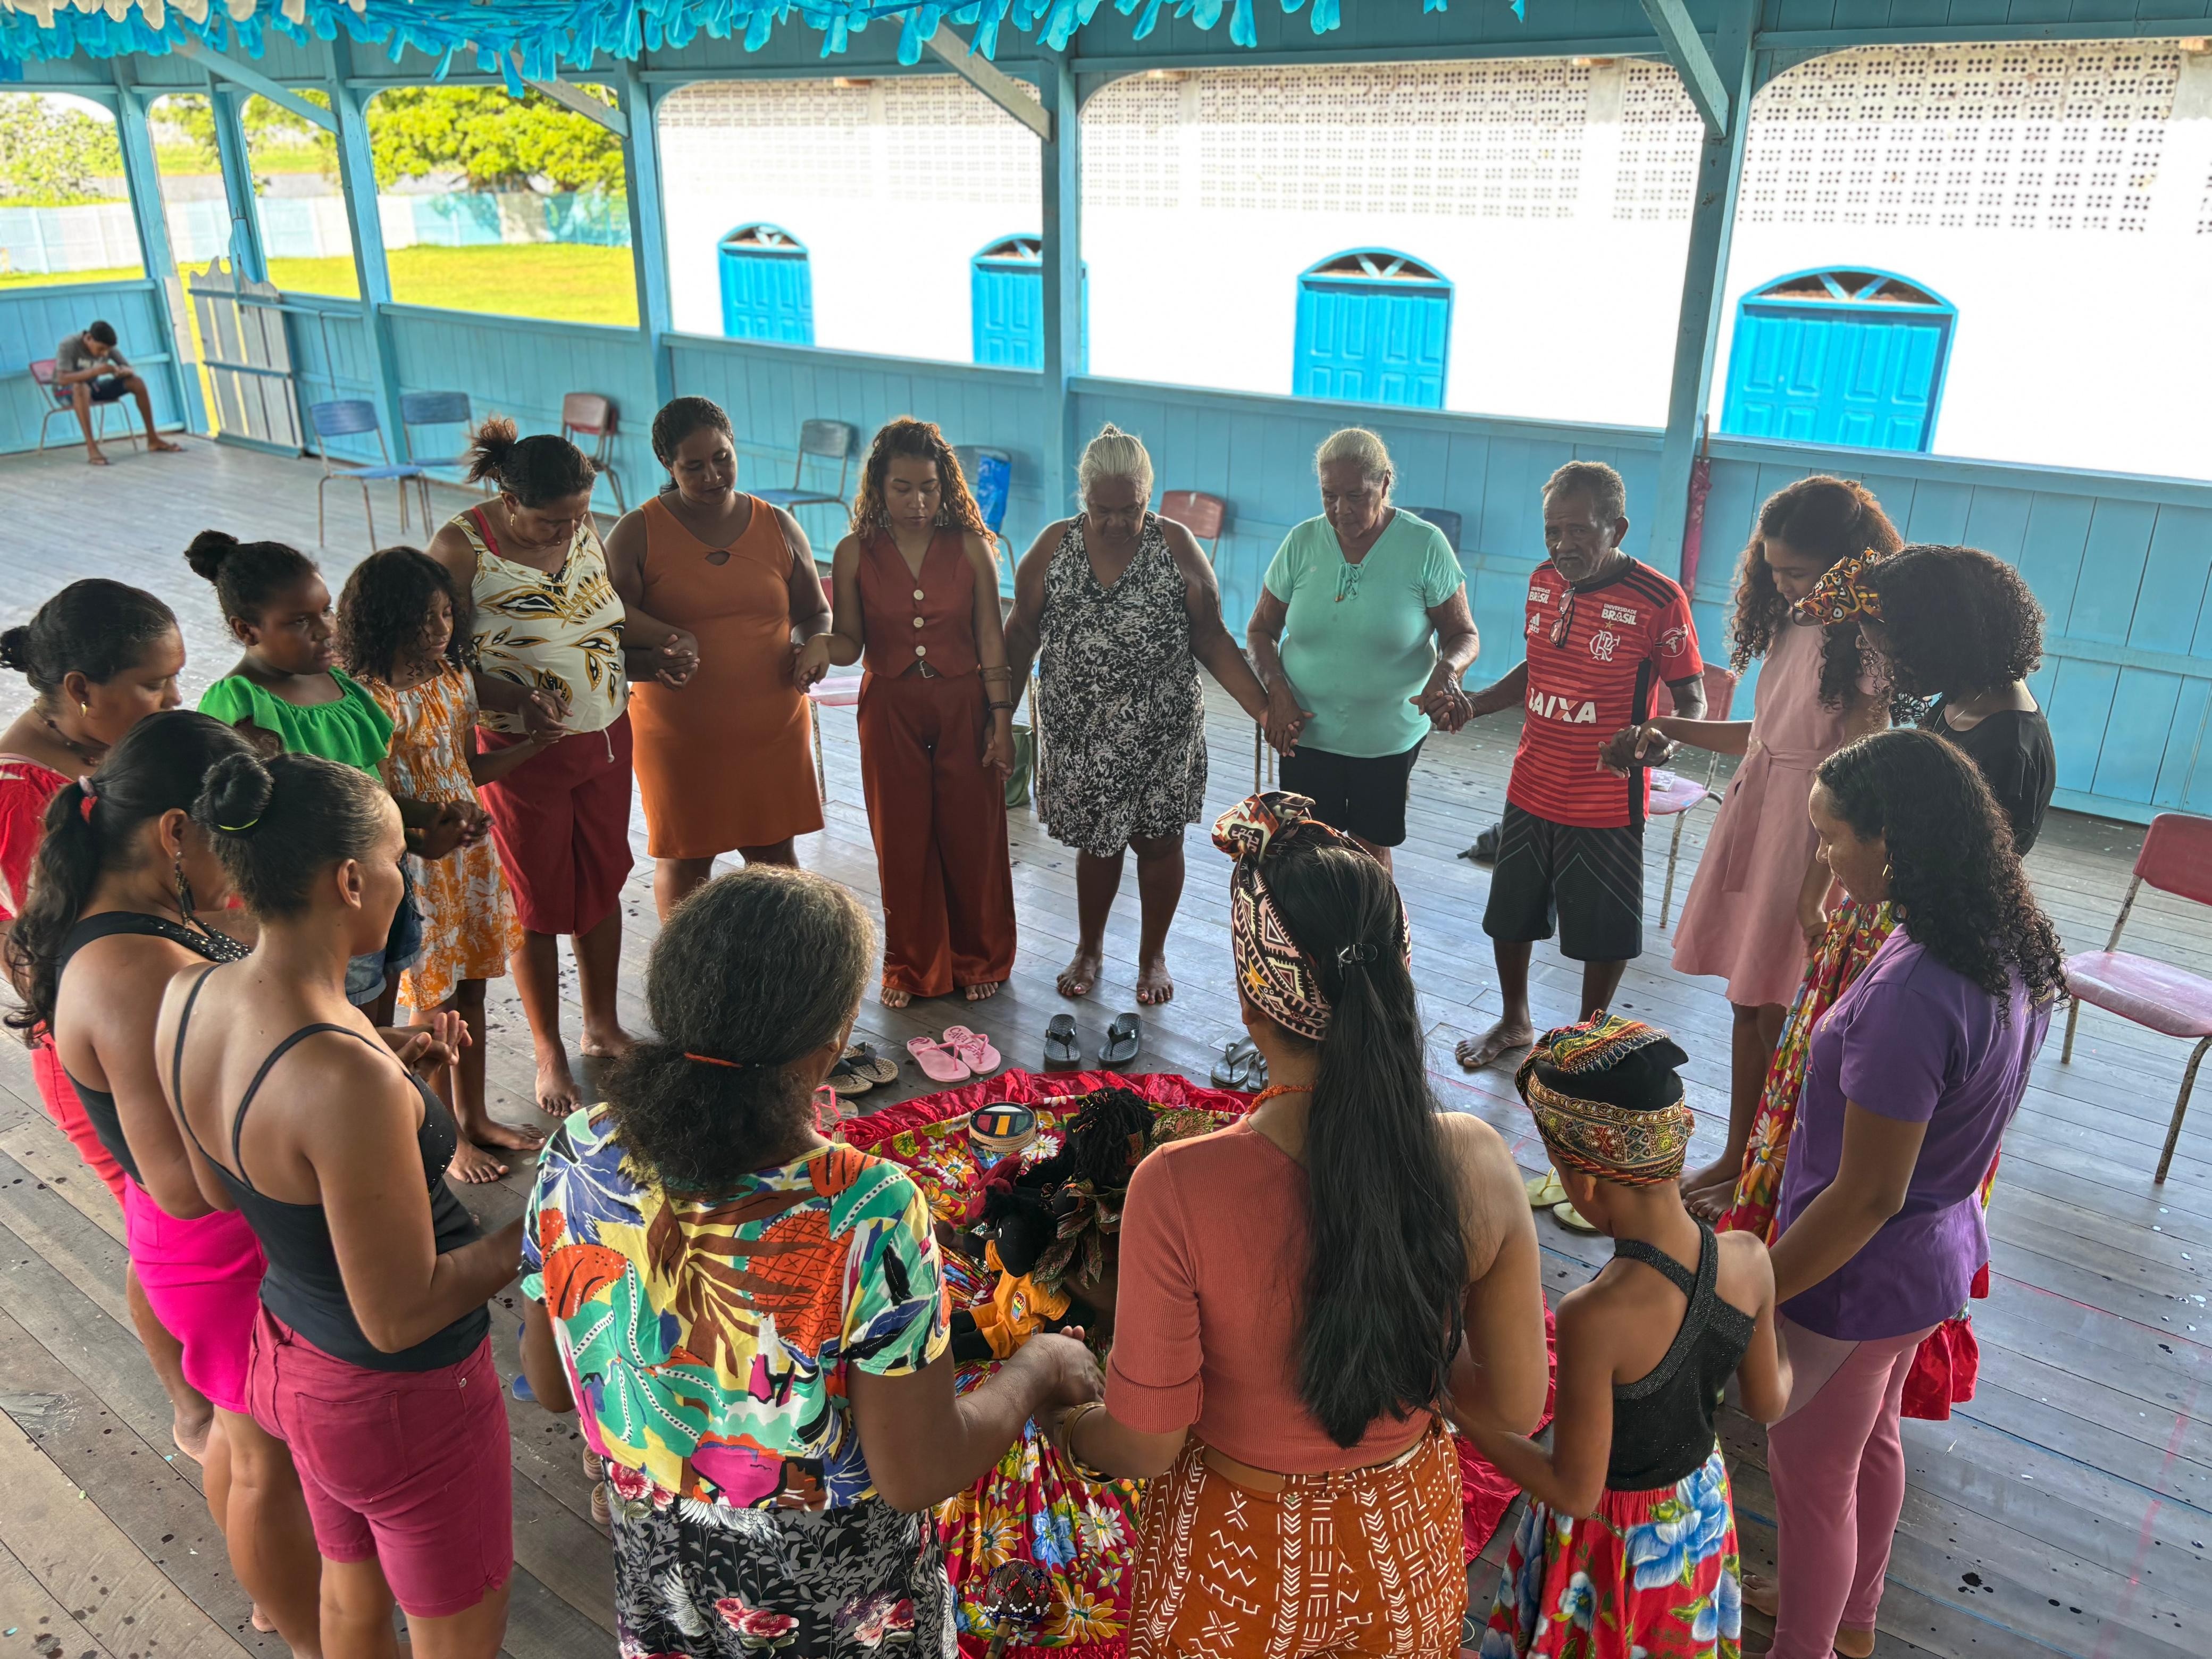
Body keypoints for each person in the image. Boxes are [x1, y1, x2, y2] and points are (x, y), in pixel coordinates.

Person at [517, 866, 1102, 1656]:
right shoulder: (866, 1209)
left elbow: (553, 1384)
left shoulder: (579, 1151)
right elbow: (917, 1469)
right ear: (825, 1056)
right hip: (837, 1613)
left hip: (668, 1591)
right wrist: (1037, 1366)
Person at [1048, 792, 1549, 1657]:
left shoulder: (1178, 1186)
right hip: (1403, 1554)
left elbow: (1147, 1447)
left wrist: (1064, 1403)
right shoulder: (1476, 1161)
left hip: (1236, 1567)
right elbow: (1513, 1400)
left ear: (1252, 1001)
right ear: (1396, 977)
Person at [162, 749, 522, 1659]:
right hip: (398, 1399)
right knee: (455, 1627)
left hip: (288, 1356)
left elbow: (219, 1186)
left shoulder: (191, 991)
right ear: (352, 878)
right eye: (401, 861)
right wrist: (554, 1218)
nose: (407, 881)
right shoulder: (338, 1071)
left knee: (351, 1592)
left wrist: (392, 1092)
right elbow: (399, 1314)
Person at [5, 713, 323, 1652]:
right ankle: (298, 1622)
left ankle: (279, 1590)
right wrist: (313, 1130)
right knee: (261, 1449)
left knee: (244, 1431)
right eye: (235, 846)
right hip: (216, 1247)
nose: (244, 872)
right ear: (176, 832)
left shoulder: (141, 923)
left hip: (209, 1244)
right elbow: (184, 1182)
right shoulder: (134, 967)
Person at [1752, 730, 2060, 1659]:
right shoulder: (2004, 940)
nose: (1826, 858)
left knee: (1810, 1475)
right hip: (1937, 1252)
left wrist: (1758, 1286)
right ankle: (1852, 1620)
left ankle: (1803, 1645)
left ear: (1898, 839)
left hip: (1859, 1274)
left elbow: (1867, 1196)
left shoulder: (1913, 994)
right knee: (1871, 1441)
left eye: (1837, 837)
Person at [1603, 477, 1900, 1219]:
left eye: (1800, 573)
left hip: (1811, 832)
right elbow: (1764, 738)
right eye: (1774, 571)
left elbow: (1857, 775)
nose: (1786, 586)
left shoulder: (1863, 643)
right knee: (1747, 1002)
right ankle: (1739, 1152)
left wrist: (1813, 887)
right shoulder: (1794, 624)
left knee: (1781, 1011)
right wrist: (1671, 731)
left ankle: (1772, 1169)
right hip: (1757, 807)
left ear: (1849, 565)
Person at [1469, 1014, 1789, 1659]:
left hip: (1611, 1547)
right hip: (1695, 1515)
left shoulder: (1595, 1315)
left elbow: (1574, 1490)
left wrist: (1459, 1405)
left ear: (1583, 1181)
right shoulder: (1749, 1258)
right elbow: (1767, 1402)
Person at [0, 580, 210, 1457]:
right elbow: (30, 939)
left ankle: (230, 1368)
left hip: (172, 1015)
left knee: (199, 1219)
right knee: (159, 1229)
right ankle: (190, 1403)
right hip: (99, 1048)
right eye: (155, 684)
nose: (174, 701)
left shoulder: (113, 756)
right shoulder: (21, 789)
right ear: (82, 688)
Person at [425, 420, 672, 1114]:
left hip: (603, 729)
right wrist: (512, 700)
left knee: (603, 877)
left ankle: (601, 1027)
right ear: (507, 498)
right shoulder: (458, 548)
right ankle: (547, 1049)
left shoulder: (579, 523)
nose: (565, 532)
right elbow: (435, 660)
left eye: (578, 516)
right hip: (519, 750)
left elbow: (609, 616)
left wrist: (667, 646)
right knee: (535, 901)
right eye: (548, 521)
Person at [1003, 423, 1270, 1004]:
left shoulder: (1174, 545)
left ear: (1149, 497)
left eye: (1132, 509)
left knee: (1158, 842)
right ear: (1083, 497)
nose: (1118, 522)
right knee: (1096, 845)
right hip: (1080, 734)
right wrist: (995, 714)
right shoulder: (1053, 546)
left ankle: (1152, 957)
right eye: (1104, 510)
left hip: (1161, 729)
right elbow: (1019, 634)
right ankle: (1089, 948)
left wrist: (1263, 709)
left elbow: (1212, 637)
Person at [1456, 460, 1706, 1072]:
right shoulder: (1543, 579)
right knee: (1509, 916)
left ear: (1615, 528)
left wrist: (1659, 740)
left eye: (1578, 531)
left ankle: (1585, 1038)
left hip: (1605, 795)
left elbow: (1692, 698)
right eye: (1552, 531)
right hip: (1532, 781)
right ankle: (1515, 1021)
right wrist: (1473, 704)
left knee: (1603, 930)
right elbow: (1535, 667)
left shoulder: (1658, 599)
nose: (1562, 545)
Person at [336, 546, 548, 1182]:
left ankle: (476, 1115)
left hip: (471, 860)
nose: (438, 631)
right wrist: (438, 822)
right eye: (422, 621)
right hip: (417, 866)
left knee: (475, 989)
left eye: (445, 617)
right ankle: (447, 1139)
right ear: (382, 622)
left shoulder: (452, 678)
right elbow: (377, 801)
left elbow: (465, 771)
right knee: (434, 1006)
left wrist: (528, 749)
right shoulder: (366, 699)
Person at [797, 418, 1017, 1008]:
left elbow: (992, 641)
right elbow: (848, 641)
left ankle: (980, 957)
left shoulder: (971, 547)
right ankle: (911, 964)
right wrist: (820, 647)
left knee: (973, 833)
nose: (917, 502)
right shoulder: (852, 553)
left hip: (963, 703)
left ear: (944, 486)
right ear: (878, 487)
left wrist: (1001, 718)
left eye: (928, 487)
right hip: (889, 705)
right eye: (902, 488)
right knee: (901, 837)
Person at [188, 531, 431, 1020]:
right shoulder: (240, 706)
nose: (325, 630)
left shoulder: (343, 688)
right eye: (300, 622)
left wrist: (425, 828)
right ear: (247, 630)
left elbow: (375, 788)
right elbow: (242, 822)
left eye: (326, 610)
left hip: (383, 880)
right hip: (318, 903)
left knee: (384, 1009)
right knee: (342, 1018)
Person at [606, 395, 829, 919]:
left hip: (772, 728)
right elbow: (607, 627)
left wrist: (813, 646)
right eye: (694, 466)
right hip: (680, 737)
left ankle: (789, 975)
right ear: (667, 465)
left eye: (722, 458)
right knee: (687, 861)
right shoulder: (637, 533)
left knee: (774, 857)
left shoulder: (776, 524)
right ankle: (685, 984)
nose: (712, 475)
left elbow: (814, 613)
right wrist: (659, 653)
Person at [1246, 428, 1480, 872]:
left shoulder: (1424, 545)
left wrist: (1448, 670)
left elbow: (1463, 634)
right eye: (1329, 495)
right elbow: (1260, 629)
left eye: (1356, 495)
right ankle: (1313, 942)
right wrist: (1276, 690)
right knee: (1308, 854)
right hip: (1305, 731)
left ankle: (1374, 941)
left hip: (1386, 738)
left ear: (1386, 483)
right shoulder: (1302, 542)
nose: (1341, 510)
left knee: (1368, 855)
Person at [1856, 545, 2056, 853]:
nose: (1892, 670)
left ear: (1944, 642)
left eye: (1898, 657)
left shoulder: (2006, 749)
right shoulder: (1966, 695)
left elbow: (1965, 859)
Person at [53, 319, 182, 466]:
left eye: (108, 350)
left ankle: (153, 439)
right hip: (66, 392)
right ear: (89, 338)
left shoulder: (108, 347)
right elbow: (62, 379)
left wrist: (122, 372)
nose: (105, 353)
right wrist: (95, 371)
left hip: (93, 387)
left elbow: (128, 368)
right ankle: (92, 448)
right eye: (101, 349)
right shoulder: (69, 345)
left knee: (136, 382)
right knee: (81, 388)